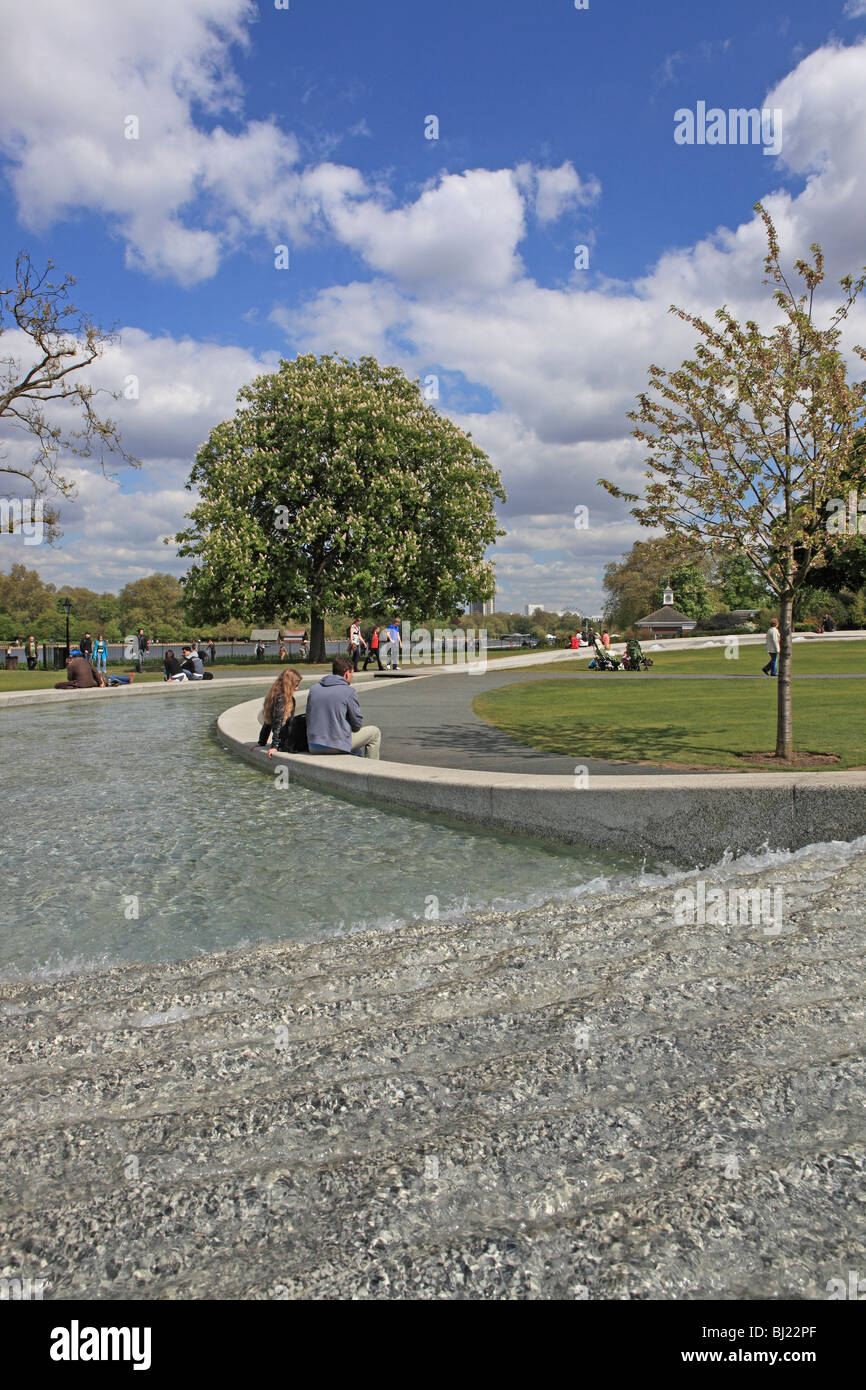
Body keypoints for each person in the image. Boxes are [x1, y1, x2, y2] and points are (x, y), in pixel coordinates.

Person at [306, 655, 381, 758]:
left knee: (356, 748)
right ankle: (372, 770)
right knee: (374, 733)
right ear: (347, 673)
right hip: (336, 746)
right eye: (352, 675)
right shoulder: (348, 692)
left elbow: (309, 718)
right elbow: (357, 725)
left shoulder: (314, 689)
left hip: (313, 745)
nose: (351, 678)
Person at [255, 668, 304, 757]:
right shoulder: (284, 699)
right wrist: (275, 746)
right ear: (289, 685)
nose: (297, 689)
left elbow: (268, 722)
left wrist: (262, 741)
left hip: (284, 738)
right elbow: (278, 721)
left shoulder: (272, 696)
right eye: (296, 685)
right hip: (286, 741)